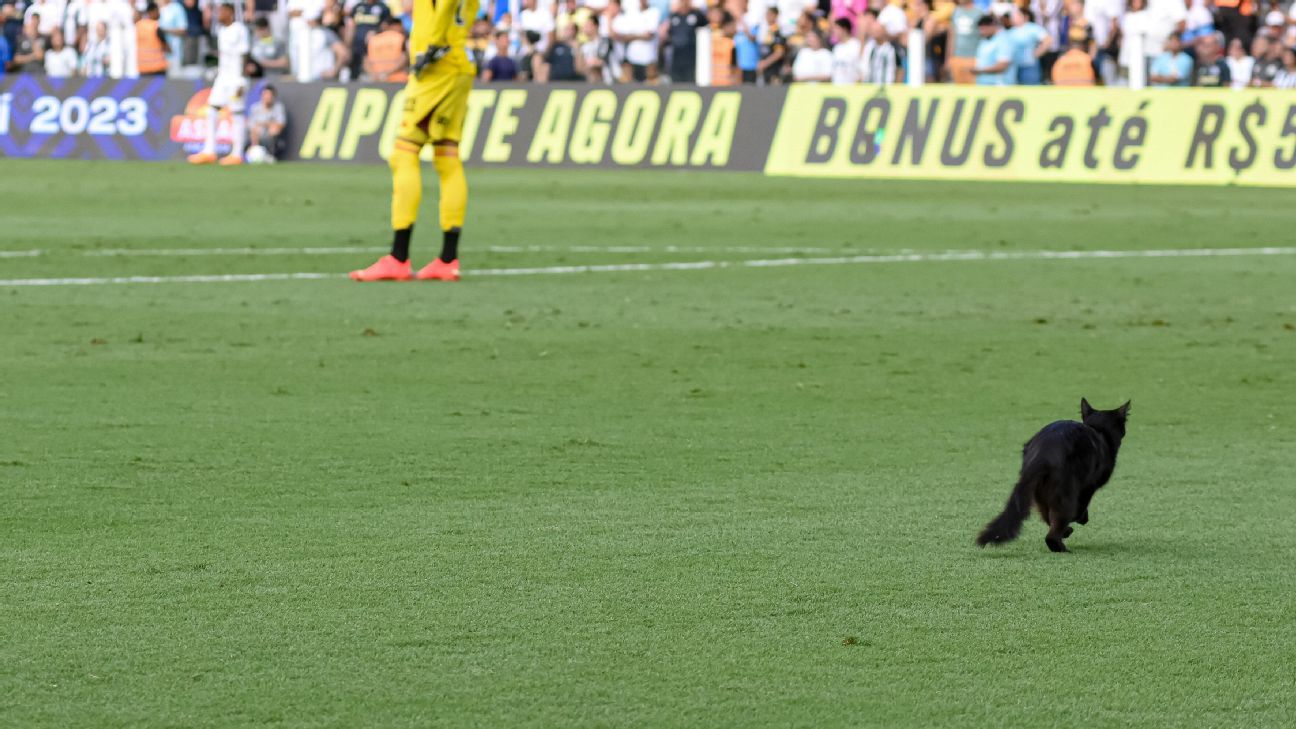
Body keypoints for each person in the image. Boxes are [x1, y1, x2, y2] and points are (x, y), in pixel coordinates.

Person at [349, 0, 479, 282]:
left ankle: (398, 257)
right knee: (447, 158)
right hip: (459, 64)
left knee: (403, 153)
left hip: (436, 67)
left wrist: (433, 46)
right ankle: (447, 259)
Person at [188, 4, 248, 166]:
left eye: (221, 11)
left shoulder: (239, 29)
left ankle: (236, 153)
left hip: (236, 78)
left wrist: (242, 80)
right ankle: (209, 151)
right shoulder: (222, 31)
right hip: (223, 77)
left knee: (237, 113)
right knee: (212, 110)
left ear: (230, 13)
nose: (218, 14)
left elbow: (244, 54)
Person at [665, 0, 706, 84]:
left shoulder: (696, 14)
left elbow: (706, 27)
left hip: (691, 54)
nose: (684, 3)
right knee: (676, 80)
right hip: (677, 54)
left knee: (690, 79)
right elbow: (669, 33)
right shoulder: (674, 16)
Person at [348, 0, 390, 81]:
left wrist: (376, 32)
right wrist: (348, 43)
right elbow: (351, 25)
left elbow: (386, 25)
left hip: (374, 46)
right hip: (357, 45)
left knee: (370, 68)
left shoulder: (383, 7)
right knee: (354, 68)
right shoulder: (357, 7)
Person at [1007, 8, 1049, 85]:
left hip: (1030, 66)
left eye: (1016, 15)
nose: (1013, 18)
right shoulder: (1011, 31)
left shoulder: (1033, 28)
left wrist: (1037, 53)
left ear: (1025, 17)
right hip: (1014, 67)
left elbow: (1047, 40)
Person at [248, 84, 287, 159]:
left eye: (269, 95)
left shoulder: (278, 107)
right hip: (257, 135)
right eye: (265, 94)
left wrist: (265, 124)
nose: (267, 97)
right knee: (254, 130)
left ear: (273, 96)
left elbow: (281, 124)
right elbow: (251, 124)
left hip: (270, 136)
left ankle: (271, 154)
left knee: (274, 129)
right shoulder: (255, 108)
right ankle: (254, 153)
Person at [972, 14, 1013, 84]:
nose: (981, 32)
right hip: (982, 84)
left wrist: (980, 70)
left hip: (998, 86)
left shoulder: (1004, 40)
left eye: (983, 29)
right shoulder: (984, 41)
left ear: (992, 26)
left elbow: (1002, 66)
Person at [945, 0, 980, 83]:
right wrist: (948, 58)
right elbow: (951, 36)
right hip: (957, 57)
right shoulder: (956, 11)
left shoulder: (979, 13)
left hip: (973, 57)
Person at [364, 15, 407, 82]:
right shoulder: (400, 38)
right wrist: (387, 74)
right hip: (398, 80)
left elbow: (366, 61)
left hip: (377, 81)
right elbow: (403, 59)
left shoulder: (373, 39)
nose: (402, 28)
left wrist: (374, 75)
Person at [860, 12, 898, 84]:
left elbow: (899, 70)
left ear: (883, 31)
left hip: (886, 87)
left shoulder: (891, 49)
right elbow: (865, 66)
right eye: (873, 31)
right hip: (870, 87)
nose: (875, 33)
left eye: (877, 31)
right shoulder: (869, 47)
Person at [755, 5, 785, 84]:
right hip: (765, 70)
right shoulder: (765, 30)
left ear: (776, 16)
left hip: (774, 70)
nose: (767, 17)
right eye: (767, 14)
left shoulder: (777, 32)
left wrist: (765, 63)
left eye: (770, 14)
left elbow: (779, 53)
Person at [136, 3, 168, 77]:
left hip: (142, 68)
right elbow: (166, 46)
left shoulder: (138, 26)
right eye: (157, 11)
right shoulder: (156, 27)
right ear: (152, 12)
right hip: (157, 69)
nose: (159, 13)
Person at [157, 0, 186, 72]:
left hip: (173, 53)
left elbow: (183, 30)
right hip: (157, 55)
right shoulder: (156, 7)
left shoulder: (177, 8)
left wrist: (163, 31)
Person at [829, 16, 860, 84]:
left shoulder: (856, 45)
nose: (834, 31)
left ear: (845, 29)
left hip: (852, 88)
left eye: (837, 28)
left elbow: (860, 67)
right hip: (837, 87)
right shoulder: (836, 48)